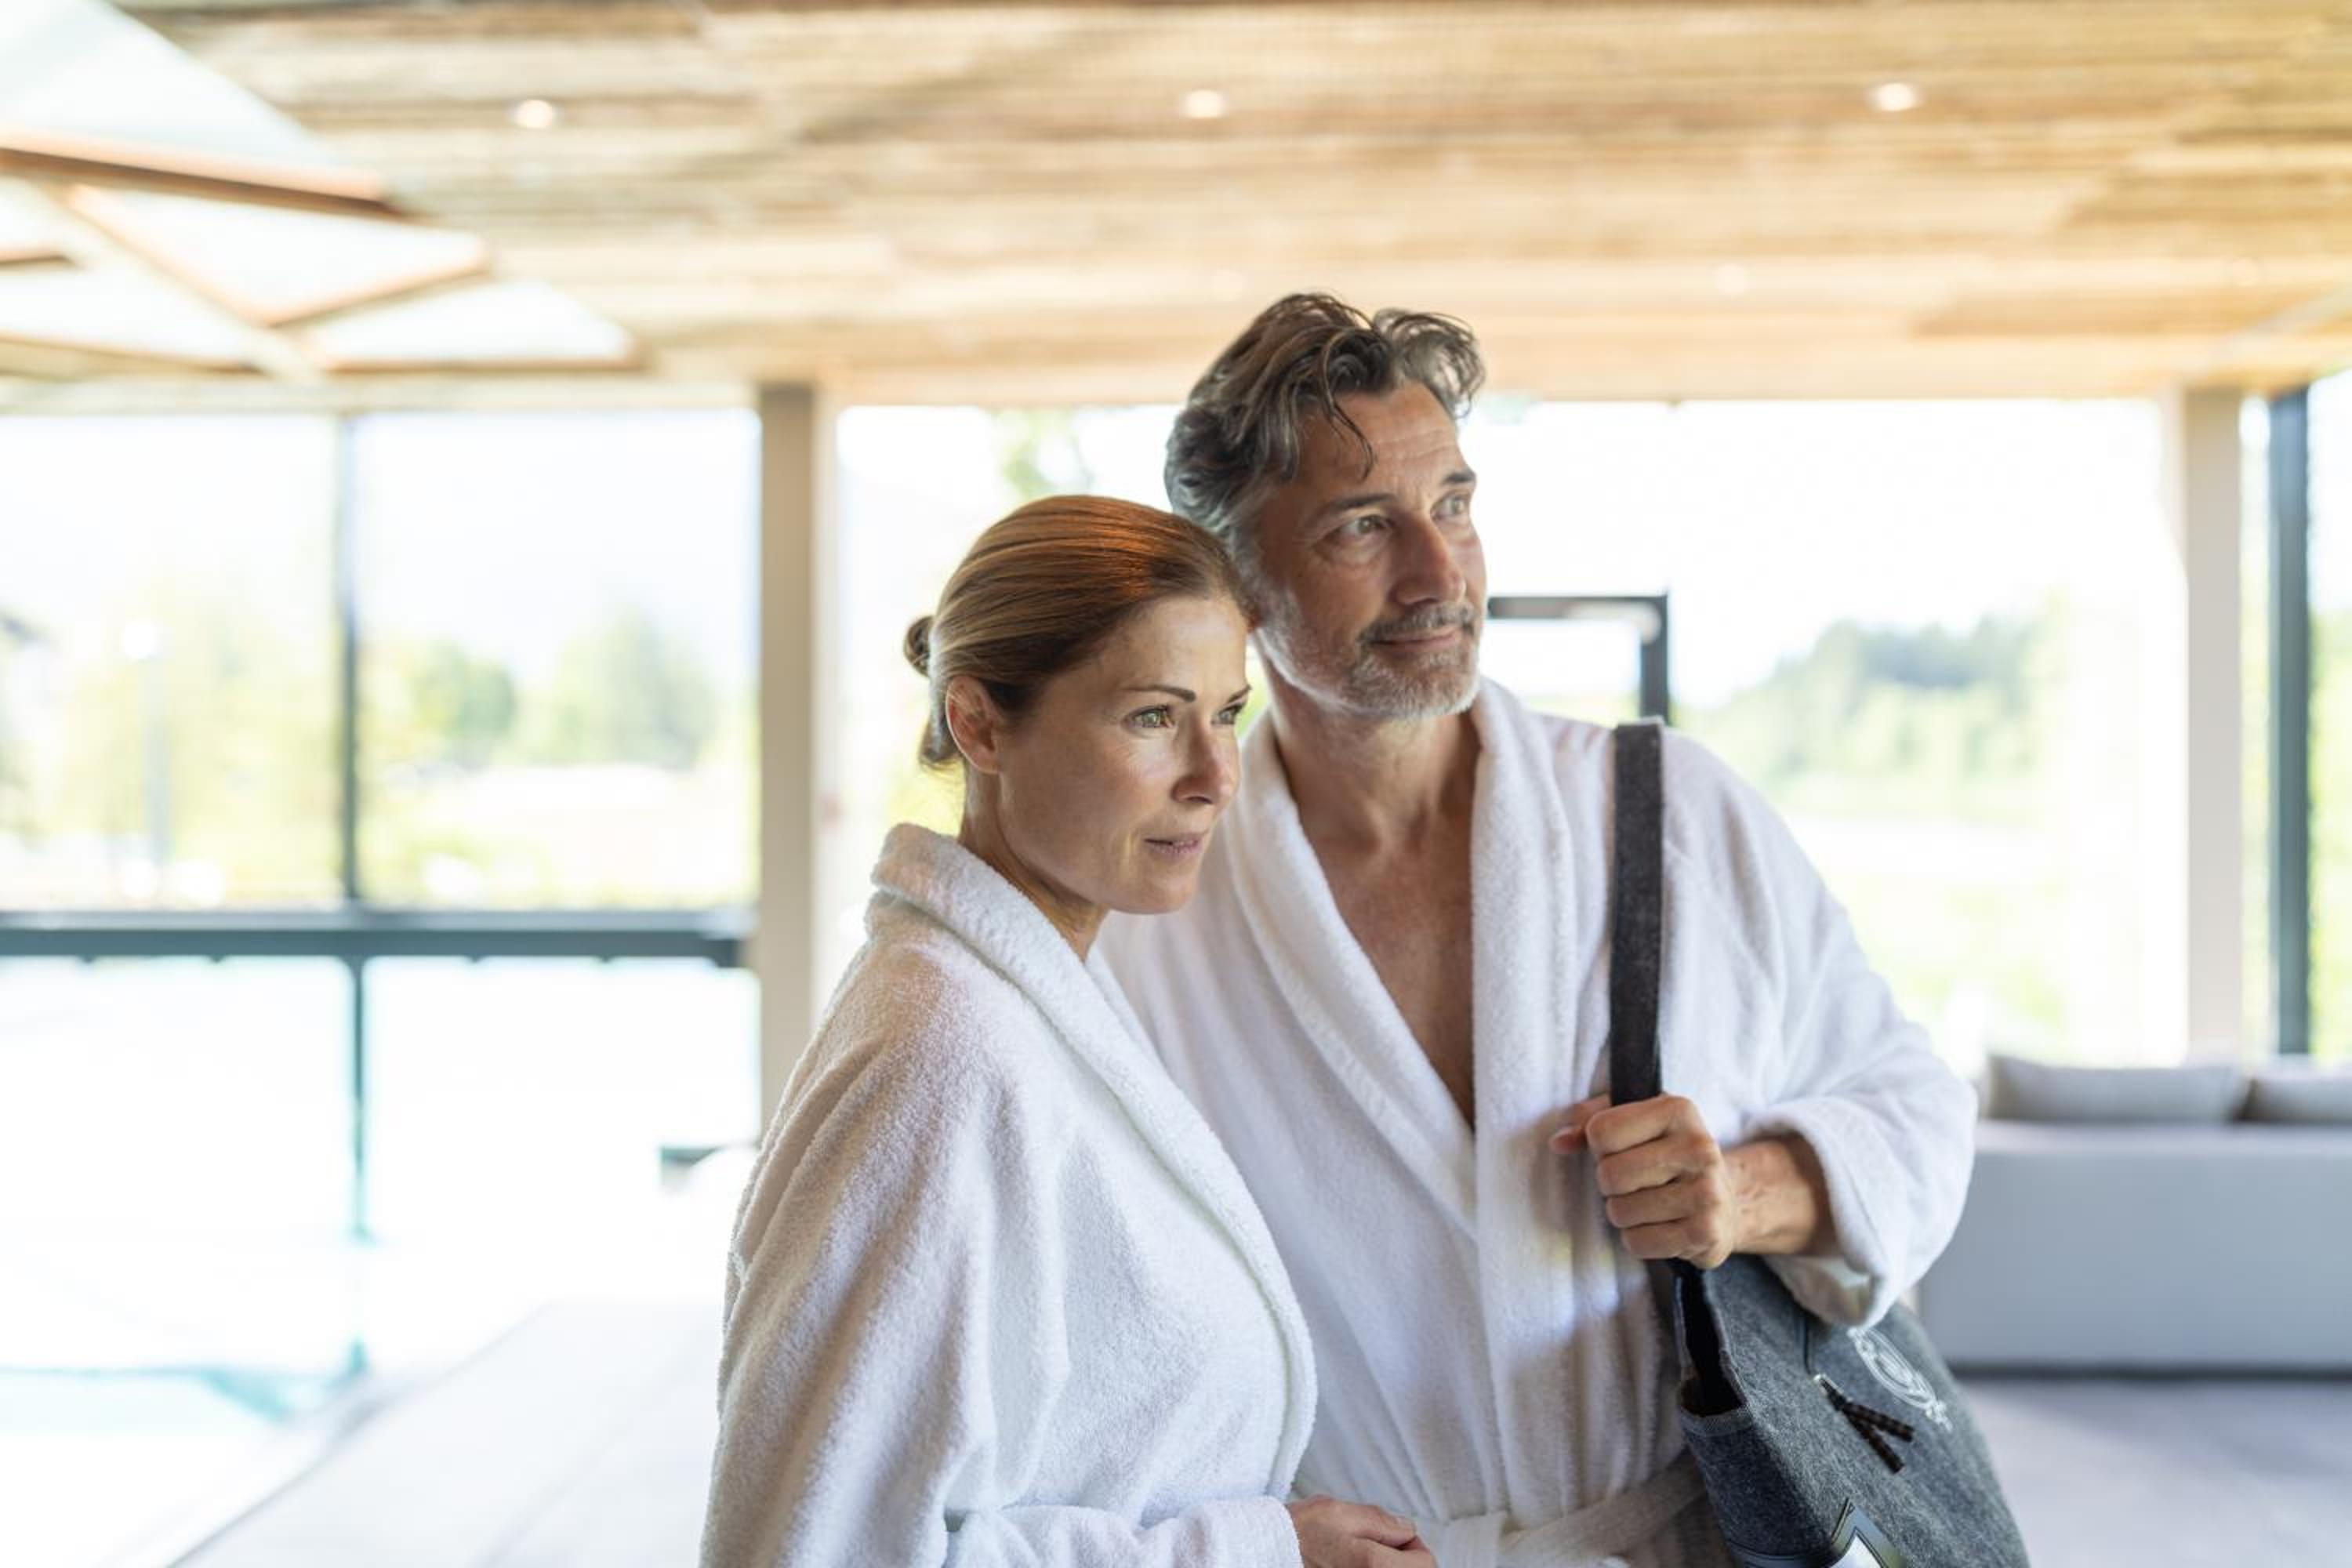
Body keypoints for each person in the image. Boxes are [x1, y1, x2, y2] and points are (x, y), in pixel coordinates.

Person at [1098, 297, 1978, 1568]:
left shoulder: (1669, 812)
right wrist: (1239, 1537)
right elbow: (1106, 1315)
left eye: (1454, 504)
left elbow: (1917, 1112)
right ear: (1239, 581)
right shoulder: (1163, 912)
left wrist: (1743, 1191)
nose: (1440, 574)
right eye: (1363, 527)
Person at [700, 495, 1435, 1568]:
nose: (1215, 777)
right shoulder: (944, 1059)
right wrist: (1251, 1553)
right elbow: (817, 1547)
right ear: (980, 724)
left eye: (1228, 714)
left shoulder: (1046, 1006)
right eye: (1153, 718)